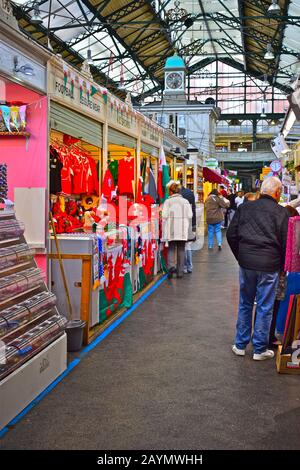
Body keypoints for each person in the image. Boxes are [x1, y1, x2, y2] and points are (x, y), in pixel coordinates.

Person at [227, 177, 289, 361]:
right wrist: (283, 266)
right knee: (265, 306)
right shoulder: (281, 212)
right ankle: (259, 349)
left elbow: (231, 234)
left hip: (247, 263)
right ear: (277, 193)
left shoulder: (244, 208)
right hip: (270, 265)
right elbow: (286, 243)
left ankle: (240, 344)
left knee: (245, 303)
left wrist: (241, 255)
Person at [162, 182, 193, 279]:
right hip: (182, 229)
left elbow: (164, 215)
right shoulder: (185, 201)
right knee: (181, 249)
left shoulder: (168, 202)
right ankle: (180, 272)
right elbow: (190, 215)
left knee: (171, 248)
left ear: (170, 191)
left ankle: (171, 267)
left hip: (171, 228)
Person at [181, 185, 196, 273]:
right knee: (187, 245)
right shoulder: (190, 193)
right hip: (188, 222)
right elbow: (193, 210)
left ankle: (185, 267)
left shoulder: (178, 195)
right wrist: (193, 225)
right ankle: (189, 266)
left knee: (183, 246)